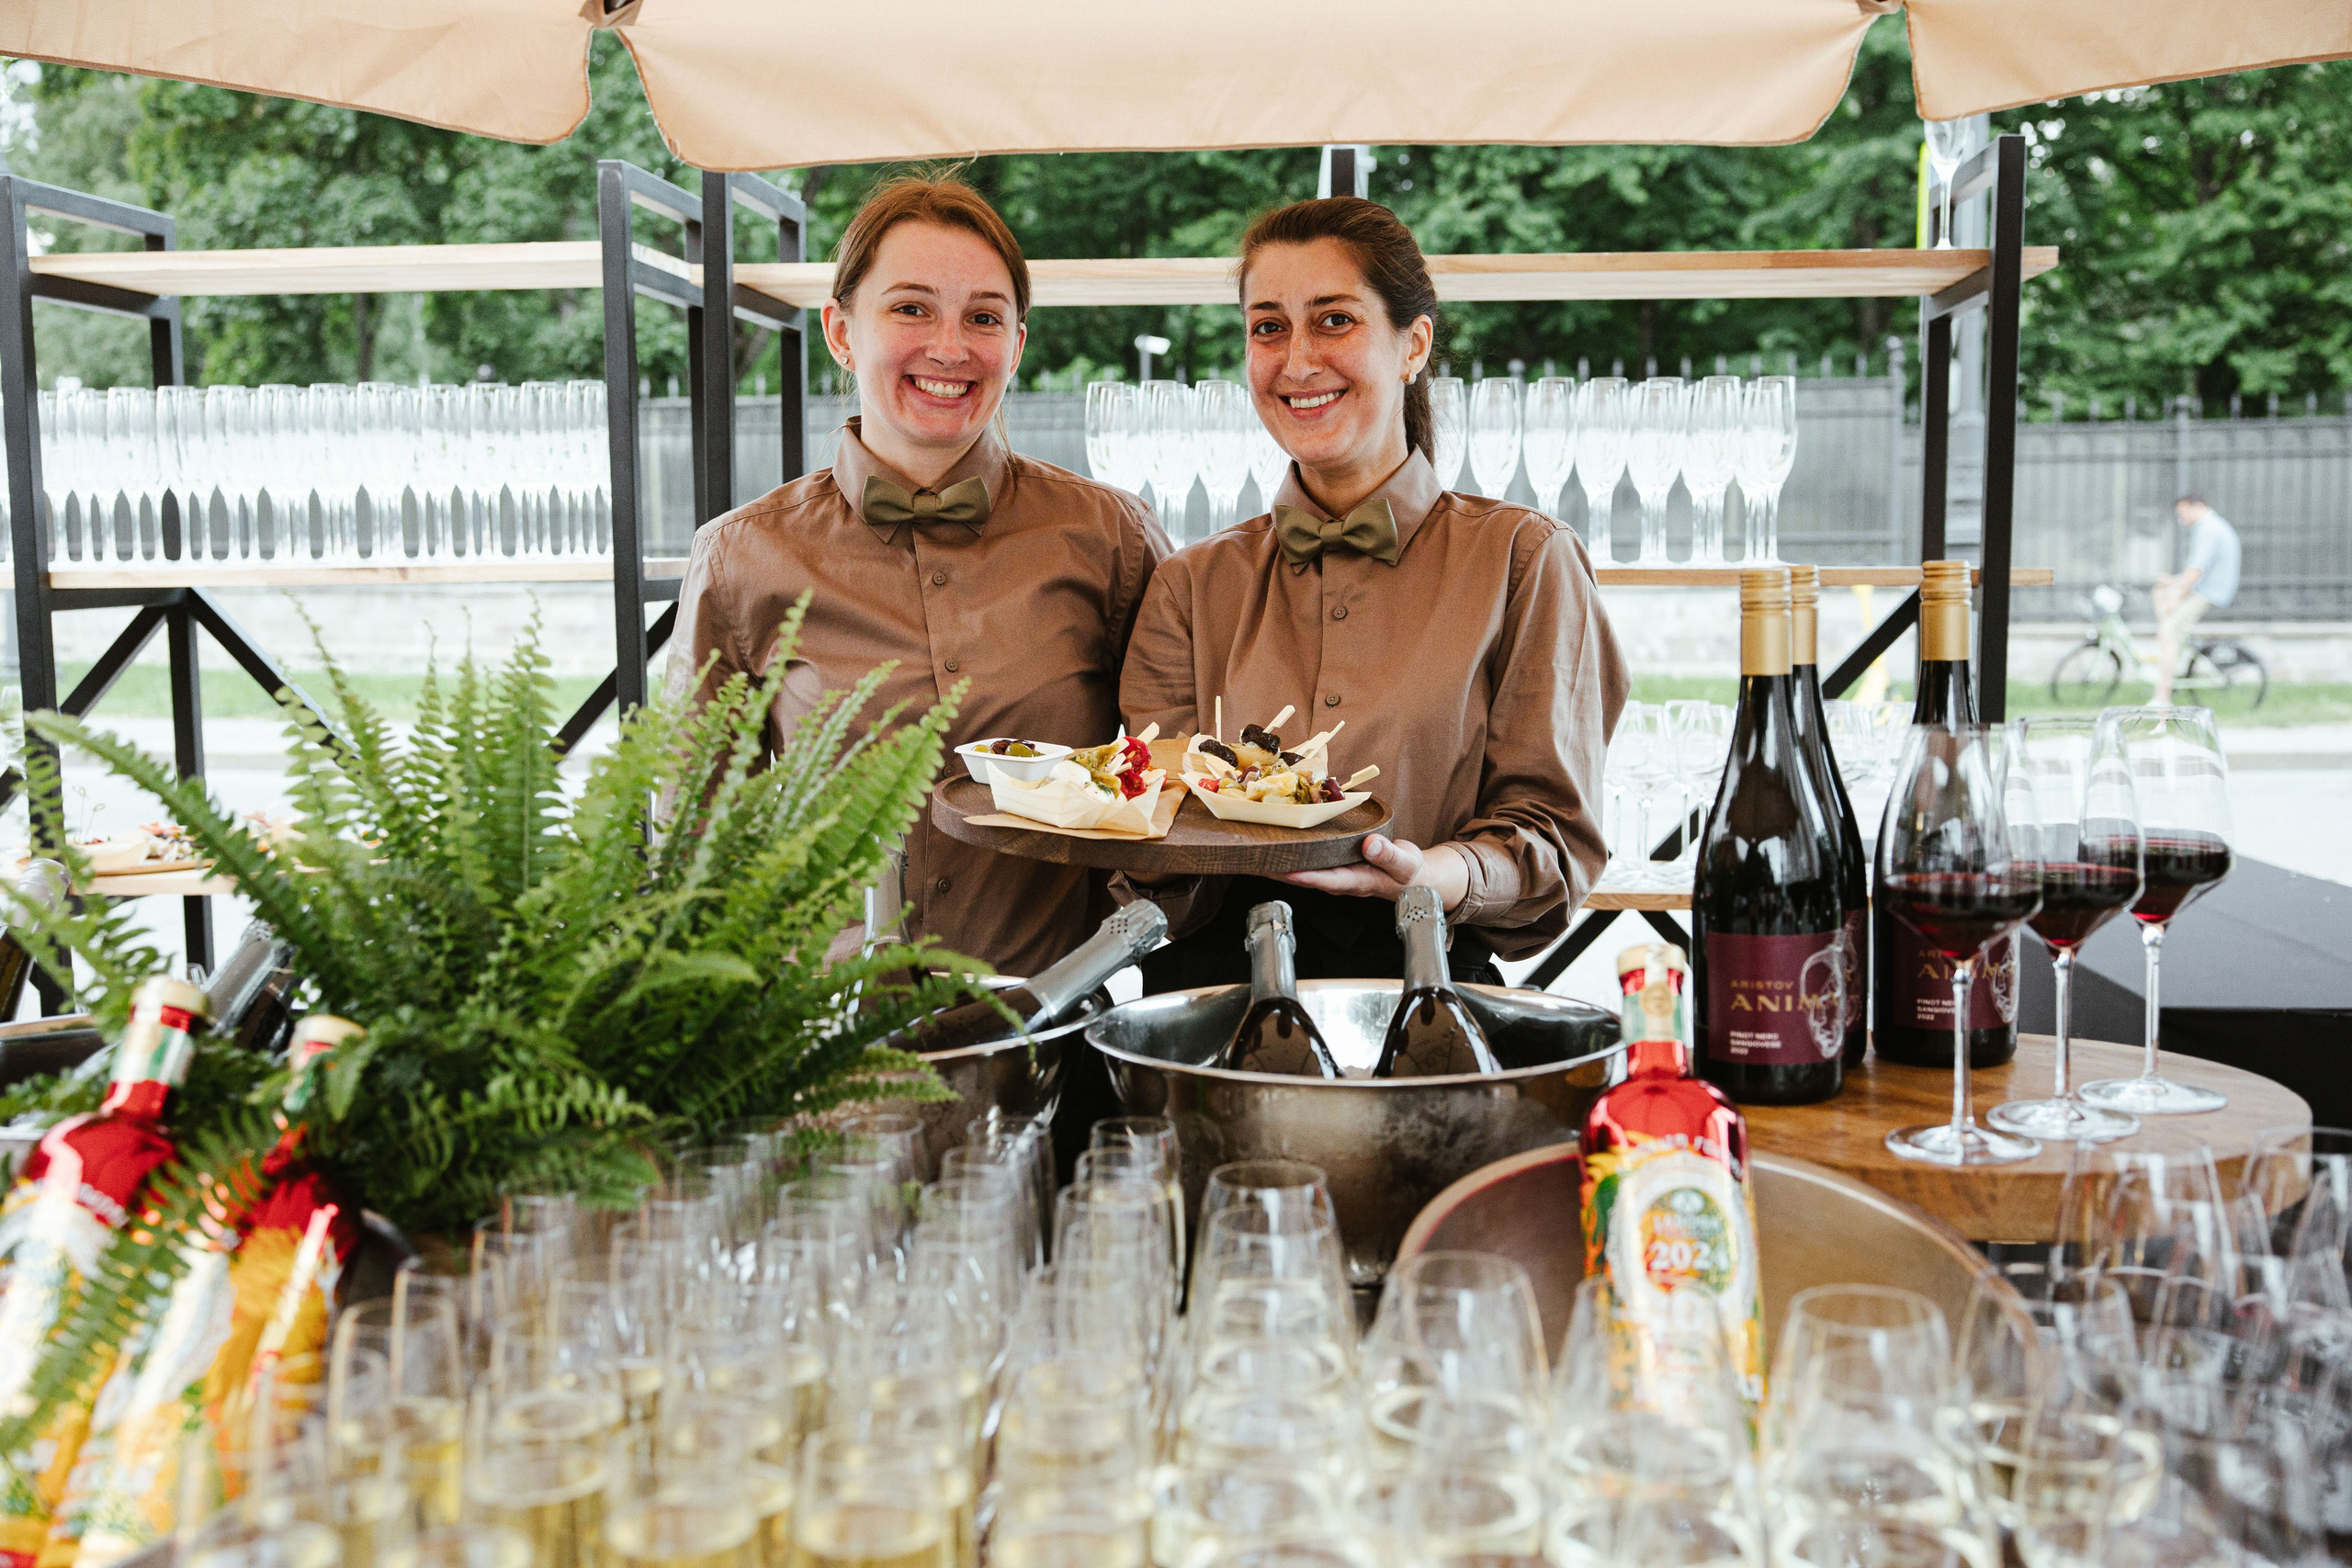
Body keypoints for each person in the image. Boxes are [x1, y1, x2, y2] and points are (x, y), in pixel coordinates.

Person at [665, 174, 1171, 976]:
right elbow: (692, 850)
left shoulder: (1111, 538)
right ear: (840, 331)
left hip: (1056, 1024)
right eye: (911, 308)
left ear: (1016, 346)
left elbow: (1185, 778)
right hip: (832, 1035)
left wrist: (1111, 925)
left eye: (983, 318)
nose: (950, 347)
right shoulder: (741, 557)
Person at [1118, 197, 1628, 988]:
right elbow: (1155, 859)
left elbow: (1552, 843)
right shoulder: (1189, 585)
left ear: (1413, 344)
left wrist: (1434, 872)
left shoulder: (1525, 561)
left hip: (1426, 978)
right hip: (1213, 991)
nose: (1297, 362)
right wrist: (1134, 833)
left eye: (1335, 321)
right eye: (1268, 327)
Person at [2153, 493, 2241, 704]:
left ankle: (2162, 695)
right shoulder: (2214, 526)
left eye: (2183, 513)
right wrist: (2174, 582)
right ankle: (2170, 664)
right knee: (2160, 591)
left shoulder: (2208, 528)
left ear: (2197, 506)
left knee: (2169, 634)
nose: (2182, 519)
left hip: (2207, 592)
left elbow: (2196, 569)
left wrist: (2176, 597)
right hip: (2207, 588)